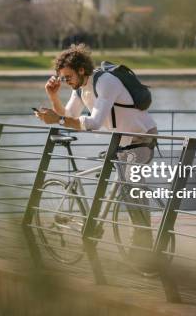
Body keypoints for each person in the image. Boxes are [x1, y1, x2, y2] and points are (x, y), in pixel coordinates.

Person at [34, 43, 158, 260]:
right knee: (123, 185)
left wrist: (59, 119)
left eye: (67, 77)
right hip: (120, 140)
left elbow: (94, 123)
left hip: (141, 136)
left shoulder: (106, 82)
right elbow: (68, 115)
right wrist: (53, 97)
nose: (65, 82)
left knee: (131, 184)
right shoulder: (81, 88)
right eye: (62, 79)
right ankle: (109, 232)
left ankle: (142, 242)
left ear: (81, 70)